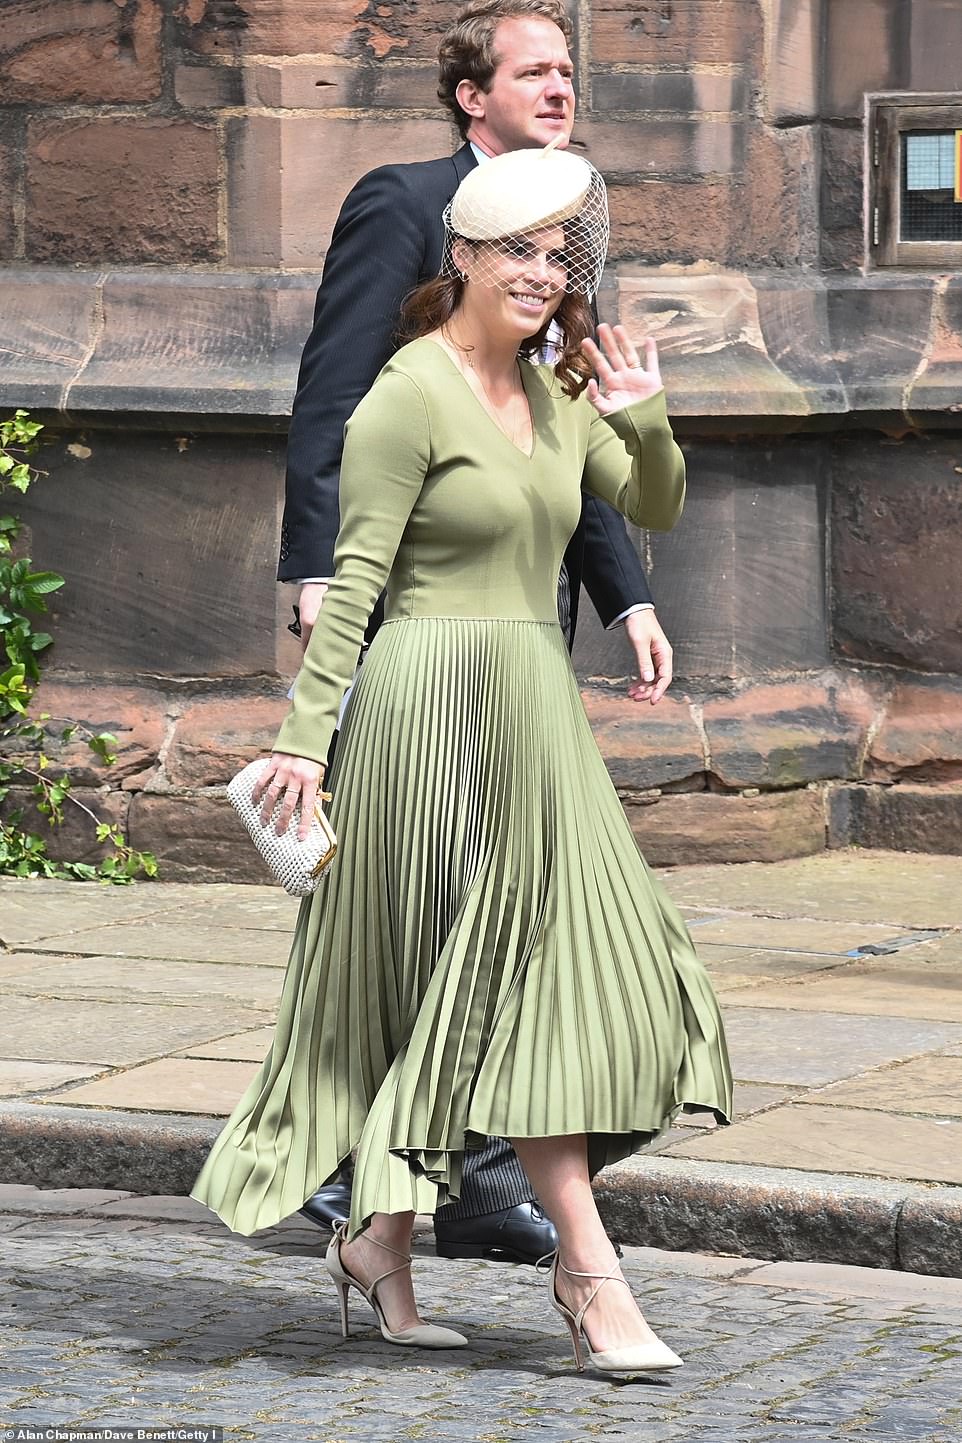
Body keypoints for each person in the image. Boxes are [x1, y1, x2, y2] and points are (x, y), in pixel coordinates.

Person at [192, 143, 732, 1376]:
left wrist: (639, 414)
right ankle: (589, 1281)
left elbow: (650, 505)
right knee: (478, 978)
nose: (544, 274)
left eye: (561, 254)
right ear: (464, 258)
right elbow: (356, 584)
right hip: (422, 713)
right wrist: (304, 741)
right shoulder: (406, 394)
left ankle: (380, 1241)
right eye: (520, 250)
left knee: (566, 966)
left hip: (535, 717)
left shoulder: (550, 401)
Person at [281, 0, 676, 1265]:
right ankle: (386, 1176)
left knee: (506, 905)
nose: (559, 89)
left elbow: (560, 426)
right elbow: (338, 390)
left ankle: (442, 1179)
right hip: (409, 615)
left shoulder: (559, 239)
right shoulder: (403, 203)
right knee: (412, 898)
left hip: (516, 626)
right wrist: (313, 566)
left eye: (568, 71)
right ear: (471, 94)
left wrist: (628, 594)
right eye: (534, 71)